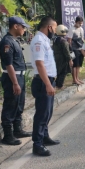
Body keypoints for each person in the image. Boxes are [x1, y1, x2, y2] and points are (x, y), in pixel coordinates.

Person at [0, 16, 32, 145]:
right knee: (10, 105)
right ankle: (8, 135)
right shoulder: (7, 42)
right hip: (12, 77)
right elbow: (9, 64)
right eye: (23, 26)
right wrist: (15, 83)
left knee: (19, 104)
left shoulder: (15, 40)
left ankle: (17, 129)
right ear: (15, 26)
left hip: (20, 76)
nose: (24, 29)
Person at [30, 16, 61, 156]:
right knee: (42, 114)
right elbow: (39, 63)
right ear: (49, 27)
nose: (55, 31)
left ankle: (45, 137)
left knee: (47, 112)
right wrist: (48, 84)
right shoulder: (38, 41)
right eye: (54, 28)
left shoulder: (45, 40)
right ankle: (37, 144)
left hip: (48, 80)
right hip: (43, 82)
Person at [52, 25, 73, 89]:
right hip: (63, 58)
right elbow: (66, 52)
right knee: (63, 72)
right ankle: (60, 85)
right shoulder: (64, 41)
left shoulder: (55, 40)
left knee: (58, 71)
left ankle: (57, 84)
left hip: (56, 57)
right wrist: (70, 60)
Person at [67, 16, 85, 85]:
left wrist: (84, 47)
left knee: (78, 65)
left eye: (81, 23)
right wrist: (70, 50)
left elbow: (82, 39)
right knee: (74, 65)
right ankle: (74, 79)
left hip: (80, 49)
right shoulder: (72, 29)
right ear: (76, 22)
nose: (80, 25)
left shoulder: (81, 29)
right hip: (74, 49)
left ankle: (77, 78)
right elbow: (69, 40)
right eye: (79, 23)